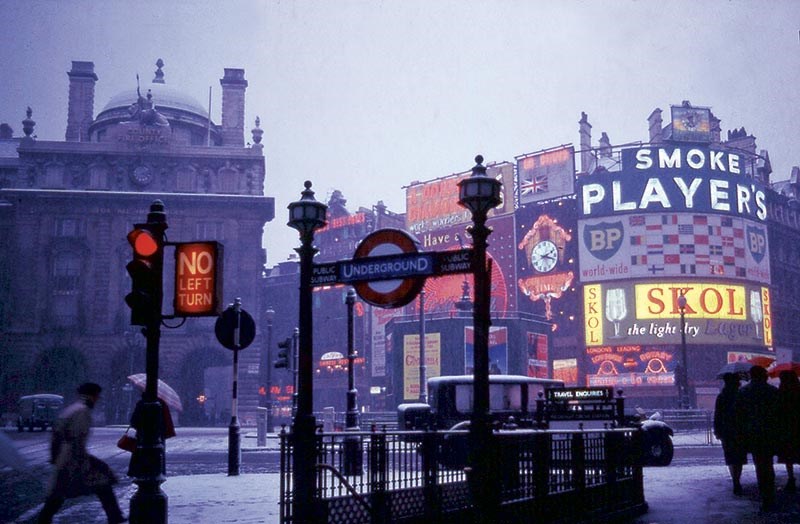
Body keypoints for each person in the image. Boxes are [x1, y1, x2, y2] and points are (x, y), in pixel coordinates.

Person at [39, 382, 126, 524]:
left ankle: (115, 516)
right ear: (92, 396)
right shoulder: (82, 411)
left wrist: (55, 456)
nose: (98, 399)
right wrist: (82, 461)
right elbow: (77, 438)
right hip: (72, 457)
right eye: (97, 396)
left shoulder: (72, 409)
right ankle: (115, 516)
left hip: (66, 456)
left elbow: (56, 434)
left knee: (61, 491)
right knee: (100, 484)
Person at [735, 365, 779, 512]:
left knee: (760, 464)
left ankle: (765, 494)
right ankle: (770, 493)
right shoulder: (772, 392)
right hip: (770, 431)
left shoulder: (744, 392)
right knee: (767, 464)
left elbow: (739, 415)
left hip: (753, 433)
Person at [127, 398, 176, 479]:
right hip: (158, 436)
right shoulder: (161, 404)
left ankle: (139, 472)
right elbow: (166, 421)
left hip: (142, 436)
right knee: (157, 455)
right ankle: (156, 473)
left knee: (140, 455)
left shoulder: (142, 403)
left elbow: (134, 421)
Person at [714, 372, 746, 495]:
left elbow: (718, 415)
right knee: (739, 457)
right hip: (739, 430)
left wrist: (718, 431)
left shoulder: (722, 396)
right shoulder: (740, 395)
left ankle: (735, 480)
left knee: (730, 457)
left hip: (726, 431)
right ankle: (737, 479)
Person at [777, 370, 800, 493]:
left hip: (786, 429)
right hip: (797, 427)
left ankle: (791, 478)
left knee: (788, 456)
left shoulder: (781, 393)